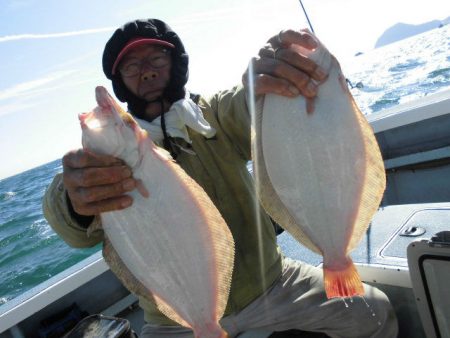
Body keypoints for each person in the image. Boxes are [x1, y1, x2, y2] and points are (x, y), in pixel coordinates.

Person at [43, 18, 398, 338]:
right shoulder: (103, 163)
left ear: (177, 64)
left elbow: (250, 107)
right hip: (174, 321)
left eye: (156, 59)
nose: (146, 72)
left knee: (374, 312)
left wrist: (270, 81)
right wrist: (71, 200)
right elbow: (72, 227)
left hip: (271, 284)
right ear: (119, 82)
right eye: (132, 66)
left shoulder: (212, 115)